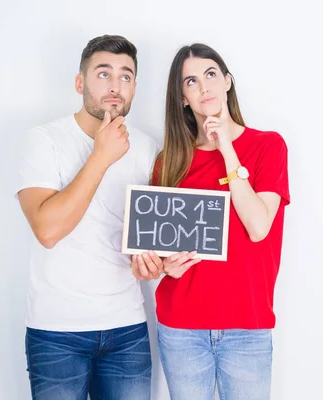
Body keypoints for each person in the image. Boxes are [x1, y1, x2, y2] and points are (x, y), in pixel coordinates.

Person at [15, 34, 163, 400]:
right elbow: (48, 230)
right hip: (56, 332)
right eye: (103, 74)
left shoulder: (146, 148)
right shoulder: (44, 140)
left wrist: (153, 264)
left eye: (126, 76)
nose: (115, 86)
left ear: (135, 87)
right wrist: (101, 156)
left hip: (128, 328)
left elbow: (149, 240)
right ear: (80, 82)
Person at [152, 43, 290, 400]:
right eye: (191, 81)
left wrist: (227, 149)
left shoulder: (268, 146)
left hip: (247, 324)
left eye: (211, 75)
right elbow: (157, 250)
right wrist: (167, 264)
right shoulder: (169, 161)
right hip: (182, 326)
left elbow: (258, 226)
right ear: (183, 98)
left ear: (228, 81)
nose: (205, 87)